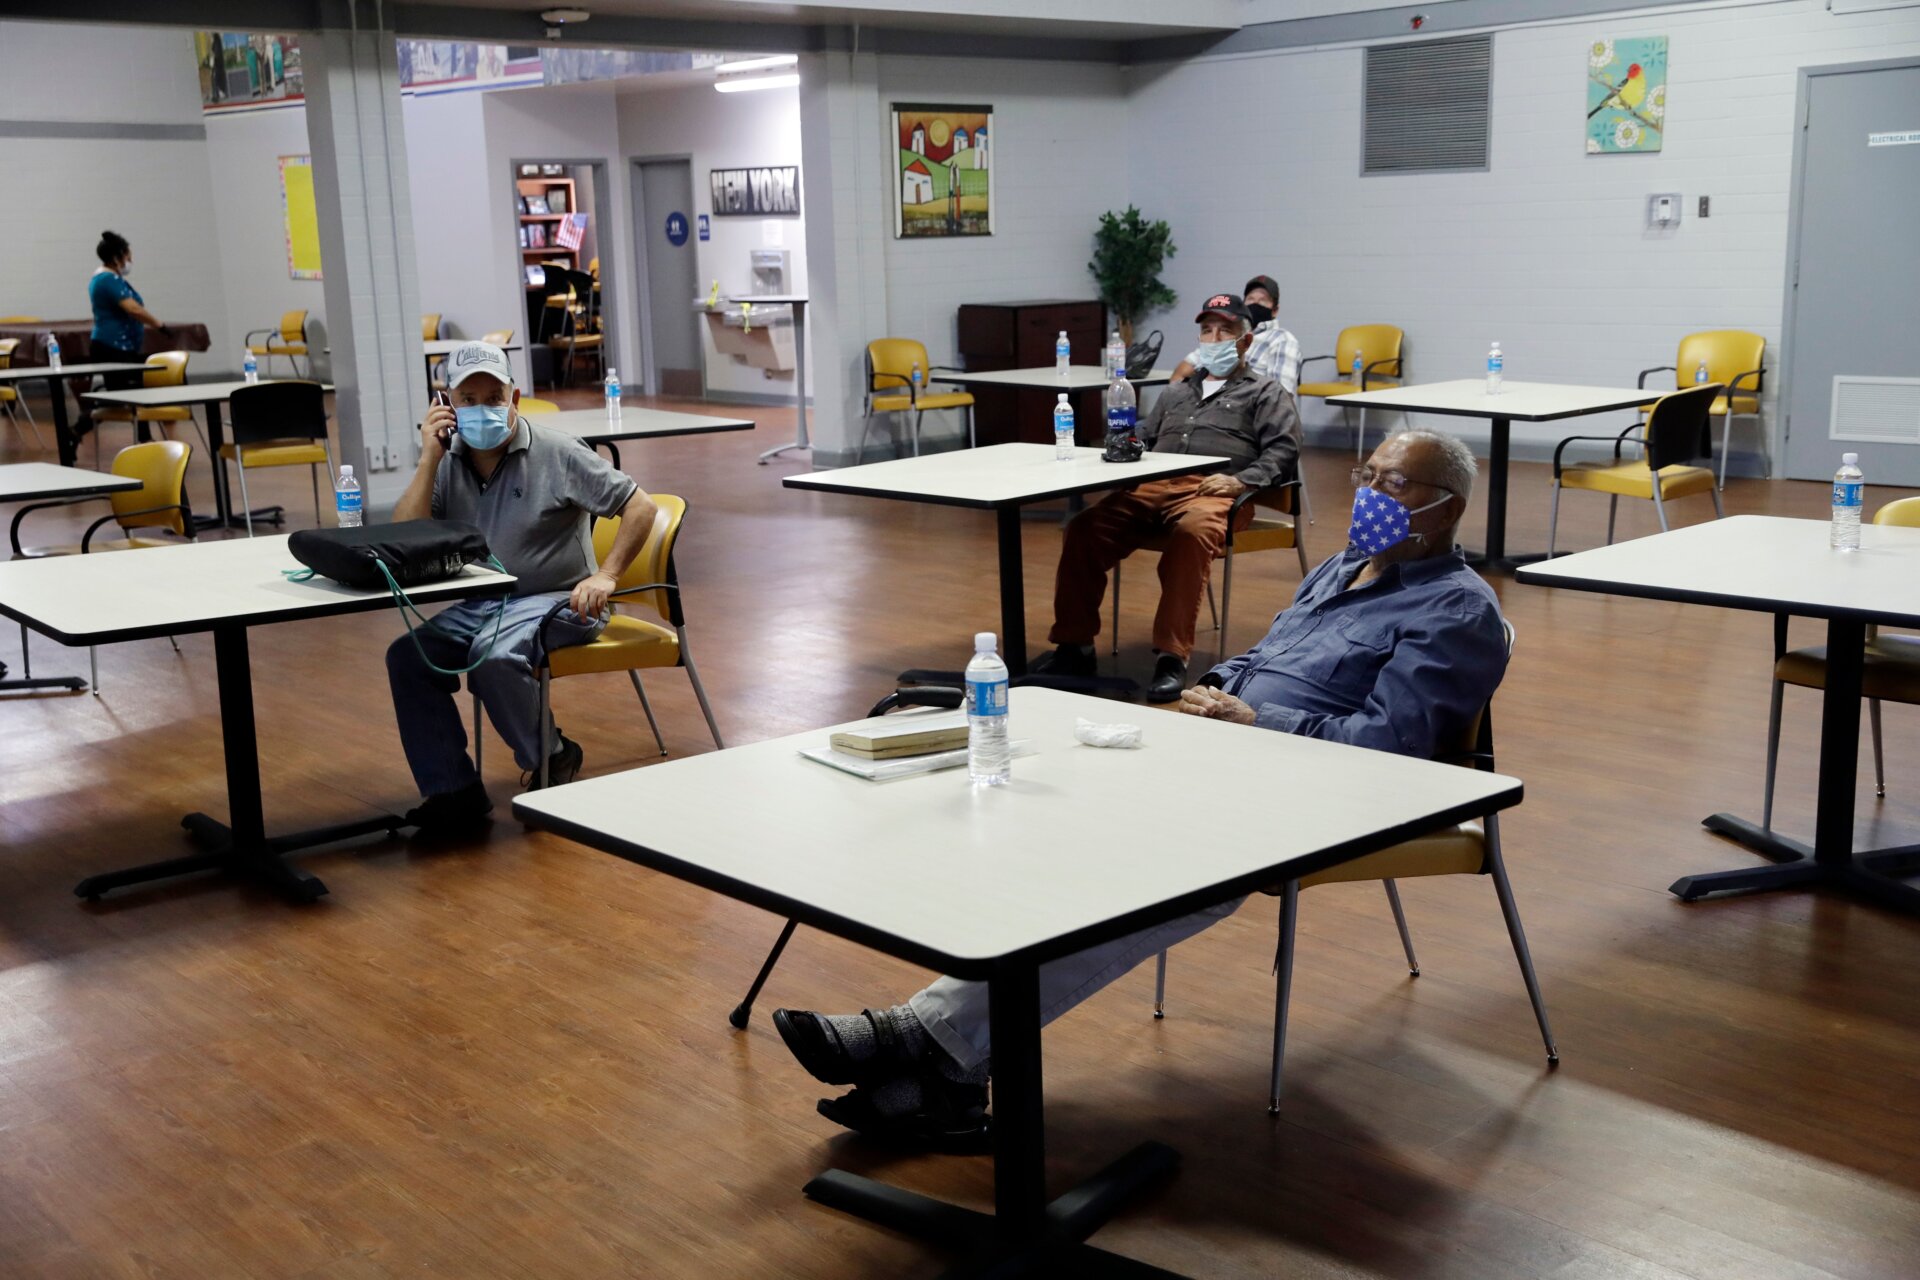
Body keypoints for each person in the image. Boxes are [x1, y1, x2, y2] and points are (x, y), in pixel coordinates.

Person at [772, 429, 1506, 1148]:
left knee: (1170, 873)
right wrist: (1213, 689)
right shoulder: (1344, 567)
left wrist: (1260, 720)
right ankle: (940, 1079)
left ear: (1446, 508)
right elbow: (1266, 654)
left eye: (1394, 484)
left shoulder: (1457, 611)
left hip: (1319, 790)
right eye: (1367, 477)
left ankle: (918, 1042)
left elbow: (1392, 752)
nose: (1371, 495)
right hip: (1227, 749)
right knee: (1068, 815)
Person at [386, 340, 658, 833]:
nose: (483, 408)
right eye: (468, 400)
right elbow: (406, 535)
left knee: (494, 658)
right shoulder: (449, 461)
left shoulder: (557, 452)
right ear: (447, 406)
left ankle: (553, 756)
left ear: (514, 399)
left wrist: (607, 574)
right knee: (408, 657)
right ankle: (454, 791)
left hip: (562, 600)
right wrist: (429, 457)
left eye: (495, 397)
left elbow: (640, 507)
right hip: (485, 603)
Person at [1031, 291, 1301, 702]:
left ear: (1245, 341)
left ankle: (1171, 658)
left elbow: (1284, 449)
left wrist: (1243, 482)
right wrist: (1121, 452)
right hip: (1153, 485)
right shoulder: (1176, 392)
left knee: (1191, 534)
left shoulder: (1265, 393)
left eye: (1225, 330)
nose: (1214, 338)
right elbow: (1145, 441)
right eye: (1207, 331)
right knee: (1085, 528)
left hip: (1217, 491)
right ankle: (1074, 647)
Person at [78, 230, 168, 435]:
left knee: (134, 393)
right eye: (128, 256)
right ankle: (78, 428)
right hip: (112, 347)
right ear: (117, 257)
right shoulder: (106, 280)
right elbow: (133, 308)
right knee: (121, 396)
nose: (131, 261)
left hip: (123, 346)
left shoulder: (112, 278)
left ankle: (144, 437)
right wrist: (159, 325)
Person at [1167, 274, 1300, 394]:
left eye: (1262, 300)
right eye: (1250, 299)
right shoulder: (1218, 337)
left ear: (1275, 310)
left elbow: (1281, 396)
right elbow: (1183, 370)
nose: (1255, 303)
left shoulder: (1282, 340)